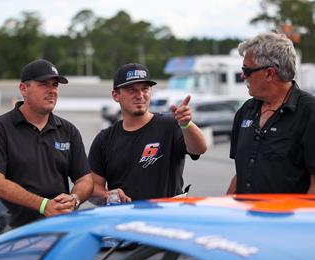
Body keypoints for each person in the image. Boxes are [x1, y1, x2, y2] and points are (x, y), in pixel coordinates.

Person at [0, 59, 94, 229]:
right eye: (43, 84)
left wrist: (74, 199)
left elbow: (85, 180)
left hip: (58, 226)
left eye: (55, 85)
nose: (52, 91)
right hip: (13, 229)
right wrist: (43, 205)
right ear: (23, 89)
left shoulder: (68, 130)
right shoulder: (0, 128)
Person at [88, 63, 207, 204]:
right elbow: (92, 188)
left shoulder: (170, 125)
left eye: (145, 89)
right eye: (131, 90)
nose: (140, 95)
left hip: (166, 217)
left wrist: (186, 124)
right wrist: (108, 195)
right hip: (124, 220)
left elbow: (199, 148)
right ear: (116, 95)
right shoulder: (104, 139)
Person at [227, 32, 315, 194]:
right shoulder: (246, 111)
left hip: (287, 218)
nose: (242, 76)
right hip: (246, 216)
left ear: (269, 73)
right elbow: (241, 174)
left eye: (247, 70)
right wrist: (224, 210)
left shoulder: (309, 113)